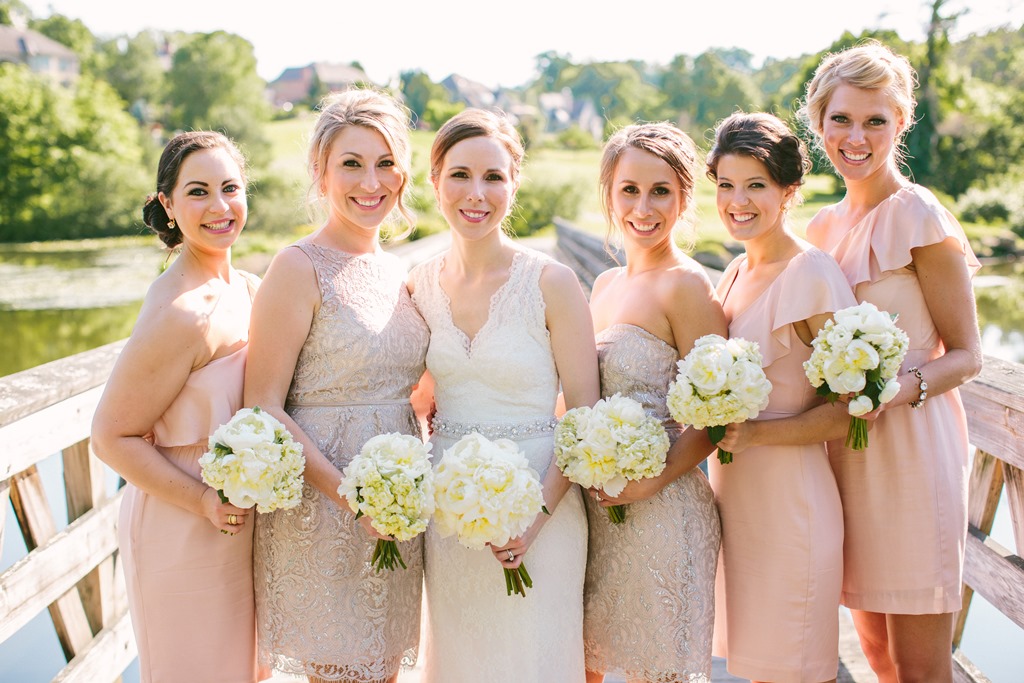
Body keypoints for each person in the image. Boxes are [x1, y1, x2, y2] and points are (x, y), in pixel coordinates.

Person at [799, 41, 982, 683]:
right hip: (845, 458)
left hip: (912, 452)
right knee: (876, 653)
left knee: (920, 667)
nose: (856, 137)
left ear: (900, 122)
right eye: (842, 119)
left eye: (875, 120)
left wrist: (892, 391)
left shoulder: (919, 215)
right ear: (819, 123)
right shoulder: (819, 229)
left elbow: (967, 355)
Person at [408, 108, 599, 683]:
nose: (477, 193)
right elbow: (415, 397)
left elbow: (585, 419)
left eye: (494, 176)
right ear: (435, 181)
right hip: (450, 516)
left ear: (514, 184)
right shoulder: (417, 284)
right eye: (460, 175)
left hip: (545, 509)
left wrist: (534, 519)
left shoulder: (551, 282)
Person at [244, 89, 429, 683]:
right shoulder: (297, 266)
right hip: (323, 507)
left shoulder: (399, 270)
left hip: (397, 506)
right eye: (351, 163)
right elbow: (263, 405)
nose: (371, 182)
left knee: (384, 669)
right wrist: (352, 498)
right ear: (321, 172)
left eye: (385, 163)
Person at [91, 131, 262, 683]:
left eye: (230, 188)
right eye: (198, 192)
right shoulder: (182, 312)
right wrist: (204, 500)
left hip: (240, 519)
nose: (219, 206)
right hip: (183, 519)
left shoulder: (248, 288)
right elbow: (110, 436)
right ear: (168, 204)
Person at [706, 112, 857, 683]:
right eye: (726, 185)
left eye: (755, 185)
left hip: (792, 503)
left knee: (793, 667)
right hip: (738, 505)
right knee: (755, 667)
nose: (737, 201)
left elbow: (851, 412)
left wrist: (757, 434)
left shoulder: (811, 272)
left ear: (789, 190)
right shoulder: (734, 271)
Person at [581, 122, 724, 683]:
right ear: (610, 195)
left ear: (684, 198)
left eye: (660, 191)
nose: (643, 208)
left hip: (665, 509)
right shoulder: (603, 285)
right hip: (599, 511)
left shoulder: (687, 287)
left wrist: (650, 481)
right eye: (629, 190)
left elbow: (719, 417)